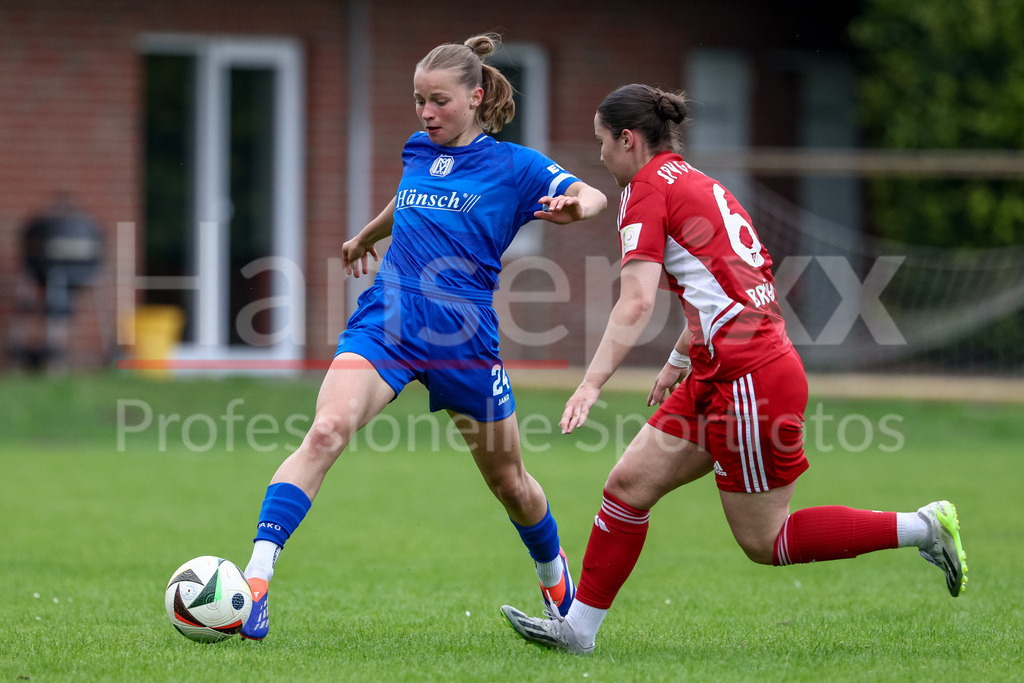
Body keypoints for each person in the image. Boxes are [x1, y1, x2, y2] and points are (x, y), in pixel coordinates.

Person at [500, 83, 968, 654]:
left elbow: (637, 300)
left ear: (628, 140)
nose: (600, 156)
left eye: (602, 143)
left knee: (767, 540)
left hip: (749, 378)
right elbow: (723, 287)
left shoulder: (645, 189)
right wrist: (678, 359)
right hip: (722, 369)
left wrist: (591, 382)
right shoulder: (695, 180)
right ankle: (578, 631)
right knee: (626, 487)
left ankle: (924, 526)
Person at [238, 34, 607, 640]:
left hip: (465, 339)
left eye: (438, 102)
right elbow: (412, 196)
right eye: (418, 101)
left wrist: (574, 208)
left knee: (510, 484)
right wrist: (367, 235)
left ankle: (554, 576)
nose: (426, 114)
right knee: (327, 430)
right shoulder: (417, 150)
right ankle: (255, 585)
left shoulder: (515, 166)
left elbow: (590, 193)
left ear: (476, 97)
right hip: (388, 320)